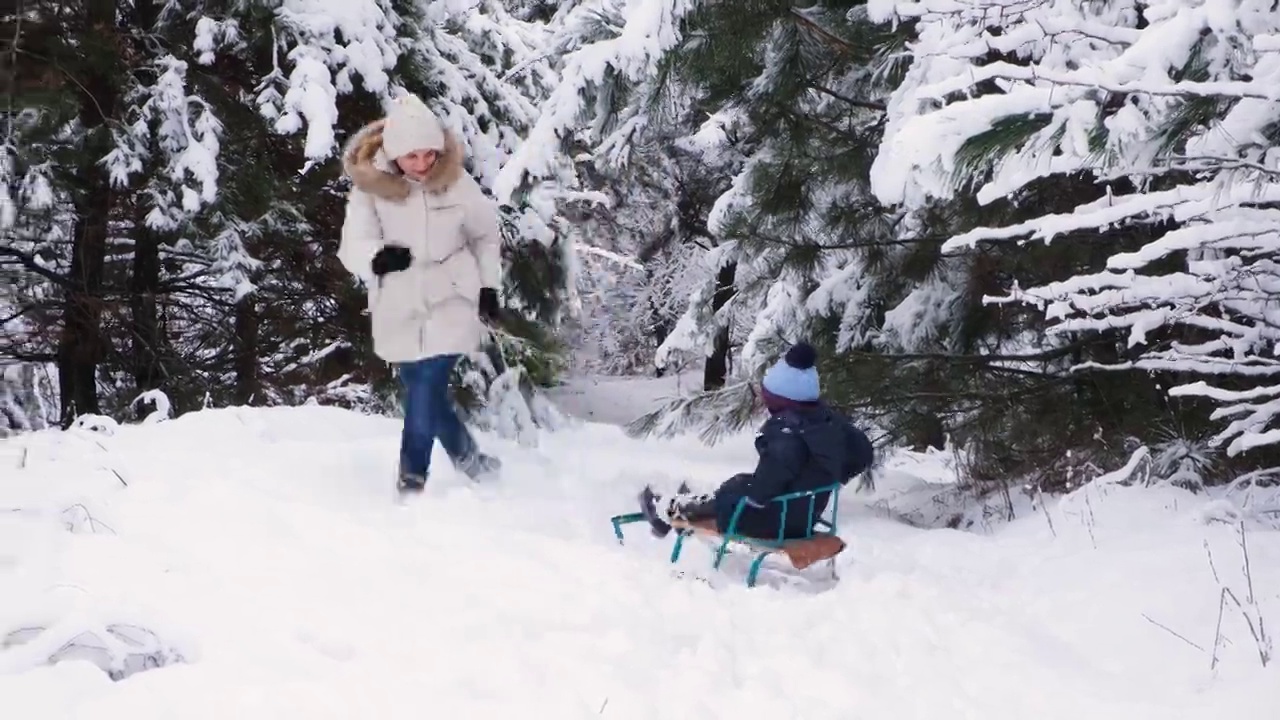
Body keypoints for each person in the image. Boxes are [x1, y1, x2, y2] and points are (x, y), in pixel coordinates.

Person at [337, 93, 503, 492]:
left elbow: (486, 237)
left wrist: (488, 288)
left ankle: (412, 475)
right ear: (394, 154)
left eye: (430, 154)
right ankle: (470, 458)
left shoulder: (456, 182)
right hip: (400, 301)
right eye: (413, 157)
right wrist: (377, 259)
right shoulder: (369, 188)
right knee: (421, 388)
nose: (424, 165)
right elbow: (352, 244)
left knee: (428, 381)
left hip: (452, 293)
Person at [637, 341, 874, 539]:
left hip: (776, 523)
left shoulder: (786, 433)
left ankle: (670, 511)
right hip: (803, 513)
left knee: (734, 495)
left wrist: (745, 493)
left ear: (782, 399)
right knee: (738, 484)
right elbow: (863, 451)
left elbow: (763, 490)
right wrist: (826, 480)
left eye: (769, 396)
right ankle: (695, 503)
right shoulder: (824, 421)